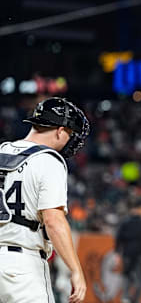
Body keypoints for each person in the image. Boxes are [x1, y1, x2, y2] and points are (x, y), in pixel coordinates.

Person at [0, 97, 90, 303]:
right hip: (21, 267)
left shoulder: (2, 150)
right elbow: (53, 221)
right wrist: (75, 270)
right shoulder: (48, 160)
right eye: (70, 133)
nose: (71, 140)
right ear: (60, 130)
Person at [115, 200, 141, 303]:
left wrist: (118, 254)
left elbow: (119, 239)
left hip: (127, 254)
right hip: (139, 255)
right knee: (139, 279)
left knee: (127, 276)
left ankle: (125, 298)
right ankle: (135, 300)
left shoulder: (125, 222)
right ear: (139, 209)